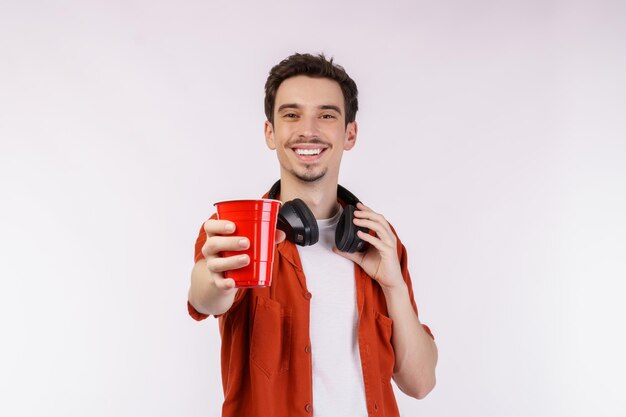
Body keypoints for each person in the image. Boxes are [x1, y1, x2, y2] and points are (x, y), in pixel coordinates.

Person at [187, 53, 438, 417]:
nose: (308, 129)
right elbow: (206, 297)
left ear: (349, 133)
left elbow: (420, 382)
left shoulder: (376, 239)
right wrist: (212, 279)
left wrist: (394, 286)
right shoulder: (236, 228)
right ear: (270, 133)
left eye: (326, 114)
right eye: (291, 114)